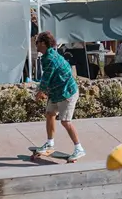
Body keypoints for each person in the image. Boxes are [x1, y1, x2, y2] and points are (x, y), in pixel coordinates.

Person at [34, 32, 85, 162]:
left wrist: (40, 92)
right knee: (50, 114)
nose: (35, 45)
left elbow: (46, 78)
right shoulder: (47, 56)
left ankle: (79, 148)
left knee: (65, 121)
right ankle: (50, 143)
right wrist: (44, 91)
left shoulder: (50, 59)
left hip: (67, 93)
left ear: (44, 43)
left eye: (37, 42)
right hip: (56, 92)